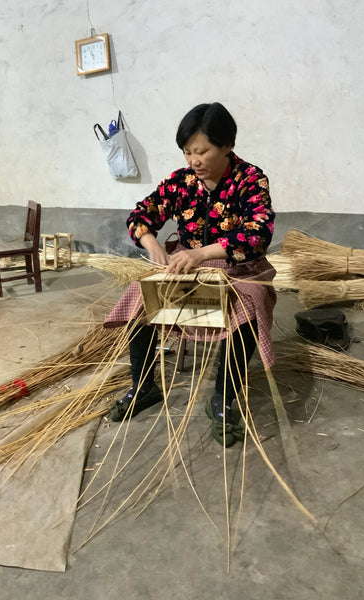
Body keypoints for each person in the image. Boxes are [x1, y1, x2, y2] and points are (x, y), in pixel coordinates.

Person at [104, 102, 276, 446]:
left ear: (227, 145)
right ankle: (143, 387)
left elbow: (258, 232)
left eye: (202, 151)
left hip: (238, 266)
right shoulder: (181, 182)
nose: (193, 161)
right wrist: (151, 242)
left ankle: (222, 399)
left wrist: (203, 253)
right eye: (187, 152)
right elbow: (141, 214)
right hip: (183, 263)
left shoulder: (250, 179)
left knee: (247, 307)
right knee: (141, 297)